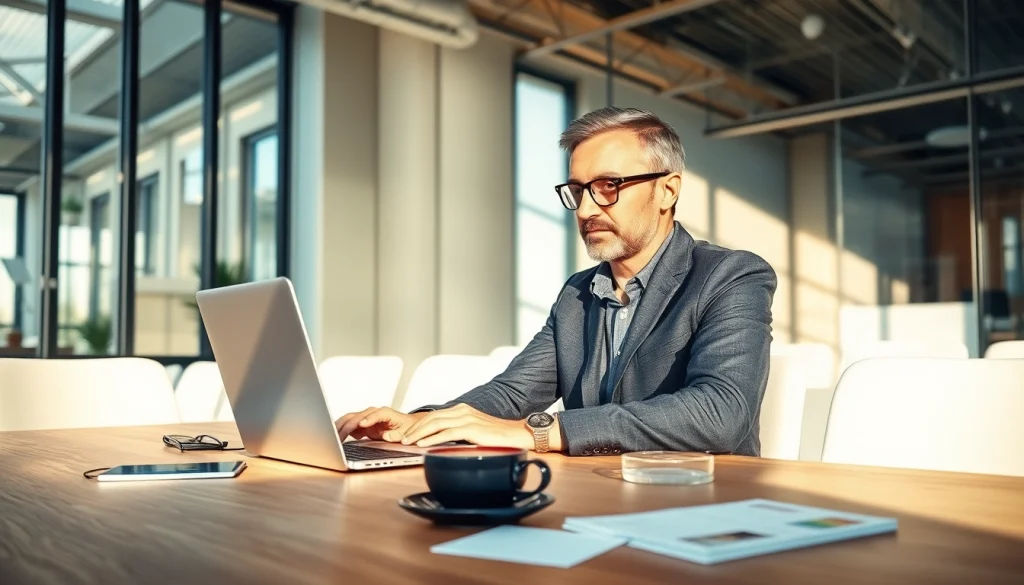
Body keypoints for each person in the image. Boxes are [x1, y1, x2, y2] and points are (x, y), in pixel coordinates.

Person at [336, 107, 777, 457]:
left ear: (667, 191)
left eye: (608, 186)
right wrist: (425, 422)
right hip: (598, 496)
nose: (585, 210)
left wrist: (542, 432)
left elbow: (721, 412)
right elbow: (513, 393)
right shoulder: (578, 294)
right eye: (577, 191)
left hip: (704, 504)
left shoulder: (731, 275)